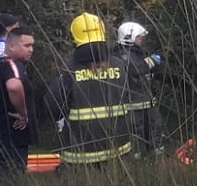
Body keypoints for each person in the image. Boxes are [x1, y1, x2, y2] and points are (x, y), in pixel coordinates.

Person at [48, 13, 133, 167]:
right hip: (119, 149)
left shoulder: (68, 71)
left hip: (80, 156)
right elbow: (129, 97)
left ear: (75, 39)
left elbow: (52, 105)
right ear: (102, 34)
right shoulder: (120, 65)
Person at [0, 27, 35, 186]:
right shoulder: (11, 65)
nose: (31, 49)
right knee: (12, 179)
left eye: (32, 46)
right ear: (11, 47)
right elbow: (14, 86)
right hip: (11, 134)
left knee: (0, 178)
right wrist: (24, 114)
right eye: (26, 45)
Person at [114, 22, 165, 155]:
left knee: (156, 127)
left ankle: (156, 157)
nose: (142, 40)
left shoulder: (140, 52)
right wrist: (152, 61)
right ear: (128, 37)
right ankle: (136, 161)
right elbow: (136, 69)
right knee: (136, 133)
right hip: (132, 104)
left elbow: (150, 70)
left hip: (148, 101)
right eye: (139, 37)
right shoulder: (121, 54)